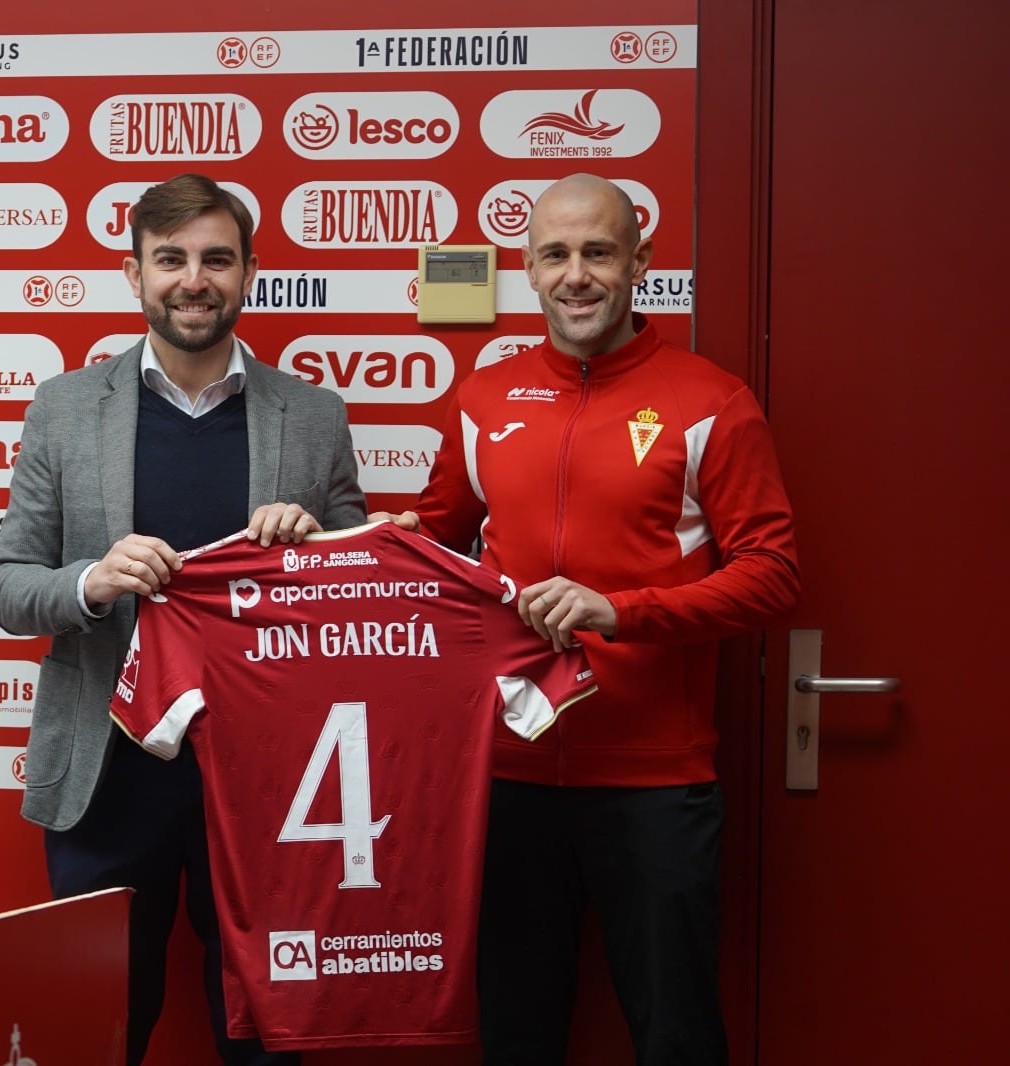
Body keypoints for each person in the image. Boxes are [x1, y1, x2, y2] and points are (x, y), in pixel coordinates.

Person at [375, 173, 799, 1064]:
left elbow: (772, 577)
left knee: (676, 1035)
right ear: (527, 269)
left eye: (599, 252)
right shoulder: (483, 399)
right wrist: (348, 545)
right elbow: (438, 541)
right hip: (507, 773)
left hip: (654, 781)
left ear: (639, 262)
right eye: (556, 254)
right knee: (515, 1033)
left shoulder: (711, 402)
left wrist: (623, 612)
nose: (578, 275)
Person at [0, 173, 366, 1066]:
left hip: (270, 782)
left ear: (250, 272)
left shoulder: (313, 417)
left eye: (216, 259)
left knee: (266, 1034)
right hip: (109, 775)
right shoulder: (66, 408)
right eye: (171, 260)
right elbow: (8, 587)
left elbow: (365, 590)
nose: (194, 279)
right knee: (96, 1025)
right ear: (134, 274)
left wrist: (312, 549)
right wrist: (93, 581)